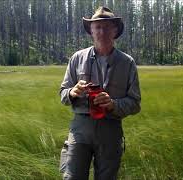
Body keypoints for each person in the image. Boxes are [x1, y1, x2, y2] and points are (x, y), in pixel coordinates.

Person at [59, 6, 141, 180]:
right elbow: (62, 94)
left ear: (115, 30)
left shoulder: (127, 63)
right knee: (72, 177)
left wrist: (113, 104)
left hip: (110, 130)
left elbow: (135, 103)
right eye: (97, 27)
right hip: (80, 129)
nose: (101, 31)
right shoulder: (77, 58)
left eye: (107, 26)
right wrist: (72, 92)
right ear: (91, 30)